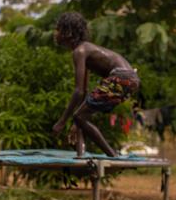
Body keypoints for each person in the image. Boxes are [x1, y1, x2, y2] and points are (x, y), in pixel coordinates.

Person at [51, 12, 140, 157]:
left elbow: (78, 91)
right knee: (80, 117)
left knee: (79, 117)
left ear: (68, 32)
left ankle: (112, 155)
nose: (56, 34)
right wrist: (76, 119)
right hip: (131, 79)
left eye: (58, 30)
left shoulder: (80, 51)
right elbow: (84, 91)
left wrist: (61, 122)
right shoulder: (84, 49)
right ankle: (80, 155)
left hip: (121, 77)